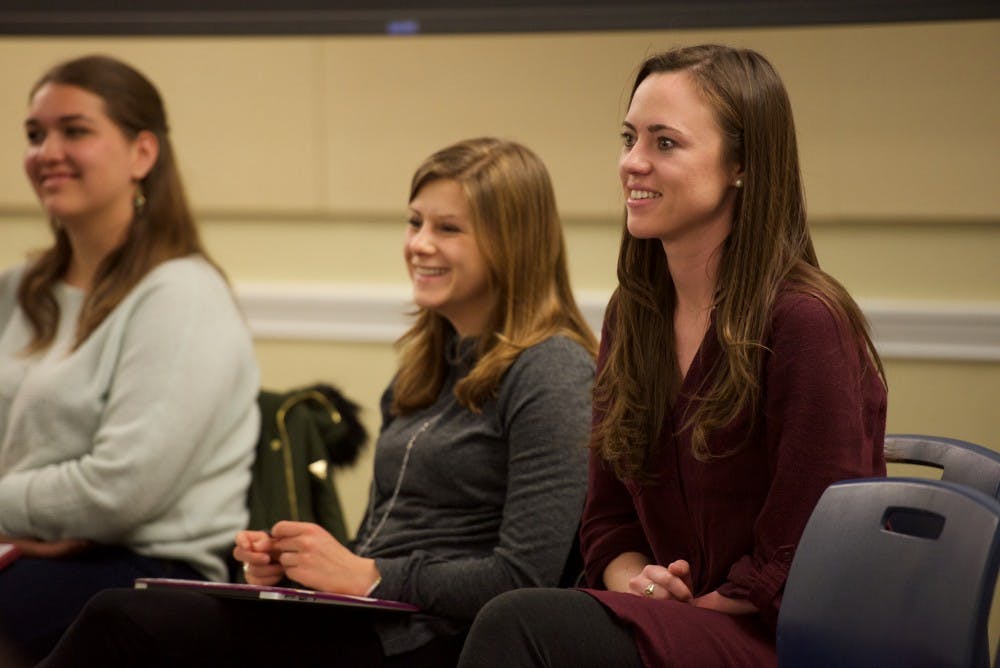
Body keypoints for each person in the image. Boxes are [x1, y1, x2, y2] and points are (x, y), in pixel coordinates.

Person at [42, 137, 598, 667]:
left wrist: (369, 576)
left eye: (447, 228)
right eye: (414, 222)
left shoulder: (553, 369)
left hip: (436, 640)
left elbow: (523, 578)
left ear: (513, 244)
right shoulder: (426, 367)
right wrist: (298, 571)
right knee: (125, 615)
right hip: (371, 621)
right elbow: (385, 539)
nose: (419, 244)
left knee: (125, 620)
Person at [457, 44, 888, 667]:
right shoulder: (633, 316)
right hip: (677, 621)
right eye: (629, 138)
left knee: (520, 623)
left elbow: (808, 548)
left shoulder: (804, 321)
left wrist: (688, 608)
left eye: (665, 143)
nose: (633, 163)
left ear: (741, 163)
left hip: (786, 638)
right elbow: (607, 522)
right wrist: (642, 583)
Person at [0, 54, 260, 663]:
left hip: (145, 573)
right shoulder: (17, 289)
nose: (47, 151)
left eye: (75, 130)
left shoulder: (182, 294)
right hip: (24, 548)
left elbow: (119, 492)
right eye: (35, 135)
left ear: (142, 154)